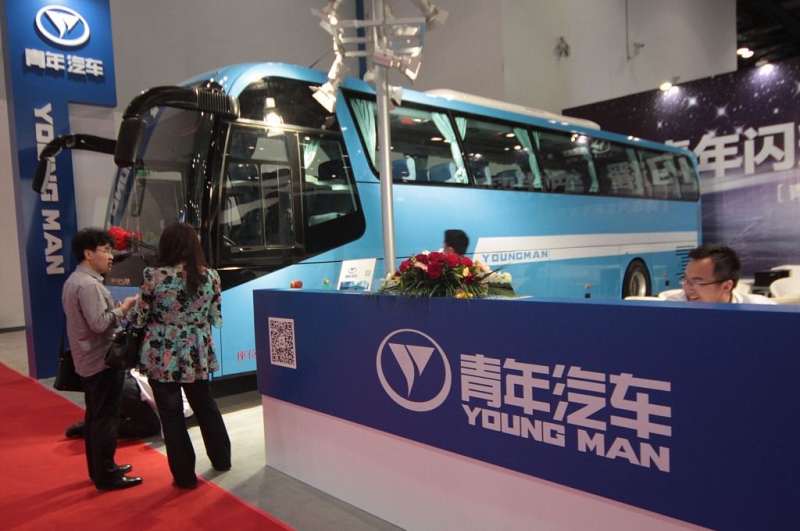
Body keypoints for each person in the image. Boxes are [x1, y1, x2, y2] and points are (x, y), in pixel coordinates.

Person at [126, 222, 231, 489]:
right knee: (205, 405)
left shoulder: (153, 275)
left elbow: (139, 319)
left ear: (166, 246)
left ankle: (184, 477)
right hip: (197, 351)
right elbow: (215, 318)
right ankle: (222, 460)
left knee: (171, 415)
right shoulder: (211, 276)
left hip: (162, 353)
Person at [61, 227, 143, 491]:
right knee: (106, 419)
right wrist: (124, 309)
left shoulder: (75, 281)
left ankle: (100, 470)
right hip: (102, 361)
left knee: (96, 418)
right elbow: (99, 324)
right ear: (88, 253)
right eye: (106, 251)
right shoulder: (88, 285)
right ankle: (107, 476)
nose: (111, 256)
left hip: (89, 360)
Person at [64, 369, 162, 440]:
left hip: (123, 378)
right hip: (129, 390)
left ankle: (91, 426)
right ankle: (94, 428)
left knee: (118, 413)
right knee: (152, 426)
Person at [663, 243, 775, 304]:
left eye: (697, 282)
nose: (687, 289)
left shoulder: (759, 307)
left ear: (726, 286)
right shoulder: (675, 306)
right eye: (686, 280)